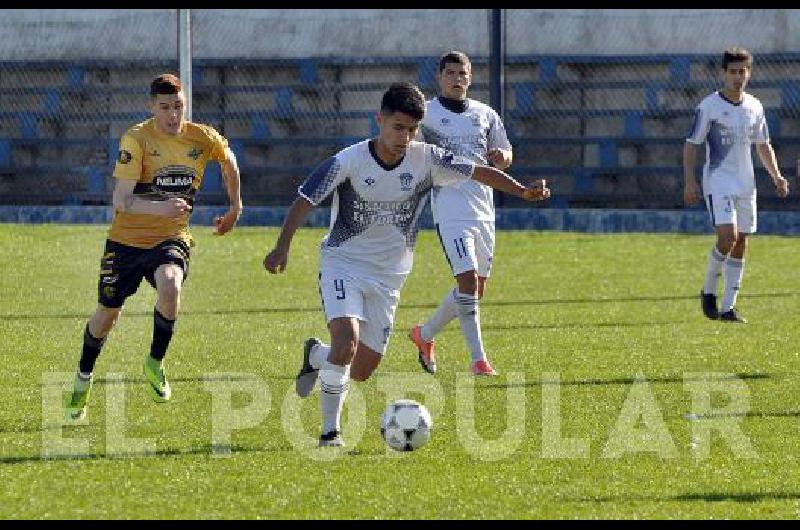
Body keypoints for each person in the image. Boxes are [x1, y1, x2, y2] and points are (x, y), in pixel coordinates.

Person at [263, 82, 549, 447]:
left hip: (389, 275)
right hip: (343, 263)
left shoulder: (427, 158)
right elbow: (305, 198)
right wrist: (281, 247)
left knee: (362, 370)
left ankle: (316, 356)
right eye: (398, 127)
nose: (405, 136)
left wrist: (522, 191)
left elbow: (478, 171)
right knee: (346, 342)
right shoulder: (349, 160)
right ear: (379, 120)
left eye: (412, 129)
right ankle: (329, 432)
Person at [65, 73, 243, 420]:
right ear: (152, 107)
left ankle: (155, 361)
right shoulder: (137, 139)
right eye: (165, 108)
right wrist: (161, 206)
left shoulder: (201, 137)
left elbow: (228, 160)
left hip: (170, 238)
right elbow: (121, 199)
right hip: (126, 242)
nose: (173, 115)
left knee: (171, 283)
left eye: (178, 107)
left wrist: (236, 205)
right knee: (106, 318)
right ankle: (82, 380)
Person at [408, 51, 513, 377]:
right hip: (450, 207)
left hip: (483, 209)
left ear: (470, 78)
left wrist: (501, 156)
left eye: (462, 73)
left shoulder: (486, 114)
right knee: (466, 280)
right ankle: (479, 360)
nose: (456, 79)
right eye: (450, 73)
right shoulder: (426, 115)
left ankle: (423, 335)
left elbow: (507, 155)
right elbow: (410, 153)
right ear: (440, 77)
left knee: (475, 290)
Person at [684, 47, 789, 323]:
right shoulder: (709, 106)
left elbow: (763, 144)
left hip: (746, 183)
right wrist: (689, 181)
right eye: (733, 71)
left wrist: (776, 175)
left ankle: (729, 308)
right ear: (724, 73)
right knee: (727, 237)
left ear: (749, 73)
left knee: (741, 241)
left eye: (742, 71)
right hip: (718, 181)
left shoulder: (754, 106)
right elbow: (691, 144)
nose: (737, 77)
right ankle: (708, 291)